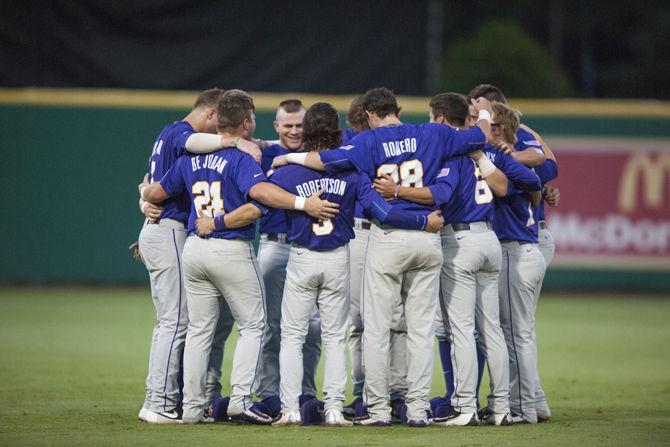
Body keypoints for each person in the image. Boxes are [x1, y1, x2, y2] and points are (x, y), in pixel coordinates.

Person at [272, 87, 494, 426]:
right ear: (397, 109)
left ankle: (377, 410)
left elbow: (327, 160)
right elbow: (479, 137)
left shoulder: (369, 141)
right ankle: (417, 410)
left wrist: (289, 157)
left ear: (372, 115)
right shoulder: (432, 132)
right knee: (419, 330)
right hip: (428, 239)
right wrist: (485, 112)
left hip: (388, 238)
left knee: (376, 328)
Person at [139, 90, 339, 424]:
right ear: (246, 122)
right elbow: (258, 197)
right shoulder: (242, 157)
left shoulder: (189, 156)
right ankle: (242, 398)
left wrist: (145, 197)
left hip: (194, 247)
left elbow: (157, 191)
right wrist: (302, 203)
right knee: (254, 324)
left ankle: (190, 407)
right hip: (230, 246)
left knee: (201, 329)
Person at [373, 93, 541, 426]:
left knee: (461, 330)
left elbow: (443, 194)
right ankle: (502, 407)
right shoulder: (487, 151)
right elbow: (530, 181)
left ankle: (465, 407)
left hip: (460, 241)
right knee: (491, 330)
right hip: (490, 239)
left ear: (437, 119)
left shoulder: (447, 152)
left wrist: (397, 191)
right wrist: (487, 158)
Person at [136, 88, 262, 424]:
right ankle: (159, 402)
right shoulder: (182, 134)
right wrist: (235, 142)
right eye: (215, 122)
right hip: (173, 230)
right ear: (210, 114)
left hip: (169, 232)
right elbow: (194, 145)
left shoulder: (166, 136)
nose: (217, 129)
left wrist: (144, 199)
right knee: (177, 322)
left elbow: (149, 185)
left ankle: (185, 403)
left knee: (193, 326)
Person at [342, 96, 408, 419]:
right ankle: (364, 391)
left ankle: (396, 392)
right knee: (360, 321)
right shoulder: (353, 140)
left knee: (393, 318)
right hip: (361, 232)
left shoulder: (399, 139)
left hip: (385, 231)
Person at [255, 99, 321, 415]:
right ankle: (268, 393)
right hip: (274, 246)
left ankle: (306, 393)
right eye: (288, 125)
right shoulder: (262, 153)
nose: (294, 130)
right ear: (277, 126)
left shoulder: (319, 154)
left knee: (313, 327)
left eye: (299, 124)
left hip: (310, 247)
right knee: (270, 325)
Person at [488, 101, 546, 424]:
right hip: (525, 252)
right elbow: (538, 181)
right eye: (490, 126)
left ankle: (524, 408)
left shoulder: (507, 161)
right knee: (519, 335)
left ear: (509, 129)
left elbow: (537, 176)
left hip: (515, 253)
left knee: (515, 336)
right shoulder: (516, 163)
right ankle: (523, 402)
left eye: (497, 126)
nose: (492, 131)